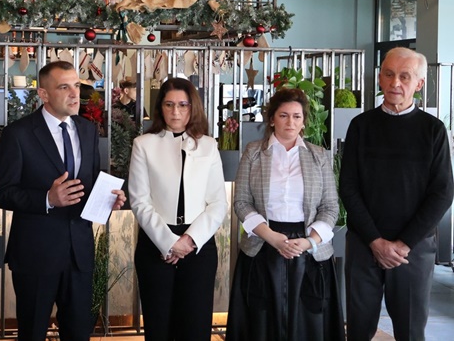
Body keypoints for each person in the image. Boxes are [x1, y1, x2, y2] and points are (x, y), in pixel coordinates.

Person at [0, 60, 126, 341]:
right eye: (64, 87)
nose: (75, 93)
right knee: (32, 333)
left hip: (79, 253)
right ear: (43, 94)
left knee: (78, 333)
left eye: (76, 85)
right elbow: (3, 193)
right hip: (35, 255)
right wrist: (47, 198)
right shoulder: (18, 134)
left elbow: (88, 184)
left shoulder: (88, 130)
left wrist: (108, 200)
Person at [340, 47, 454, 341]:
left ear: (419, 83)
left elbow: (442, 193)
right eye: (389, 74)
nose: (395, 83)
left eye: (405, 76)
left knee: (411, 331)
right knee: (358, 328)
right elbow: (348, 187)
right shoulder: (361, 126)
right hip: (364, 244)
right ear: (380, 78)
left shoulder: (433, 130)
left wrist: (403, 244)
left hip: (413, 249)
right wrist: (375, 241)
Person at [227, 87, 344, 341]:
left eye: (296, 116)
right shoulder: (253, 152)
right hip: (263, 244)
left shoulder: (319, 156)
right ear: (272, 119)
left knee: (307, 326)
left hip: (308, 248)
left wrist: (310, 241)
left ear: (303, 121)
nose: (290, 122)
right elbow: (242, 202)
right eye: (283, 115)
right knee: (262, 324)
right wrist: (271, 237)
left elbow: (330, 207)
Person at [128, 77, 227, 340]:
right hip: (155, 243)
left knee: (195, 326)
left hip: (198, 244)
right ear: (160, 107)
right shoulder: (143, 144)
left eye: (183, 105)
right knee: (158, 325)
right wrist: (170, 243)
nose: (176, 111)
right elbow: (139, 201)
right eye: (169, 104)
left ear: (193, 107)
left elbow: (218, 202)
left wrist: (189, 240)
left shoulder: (208, 145)